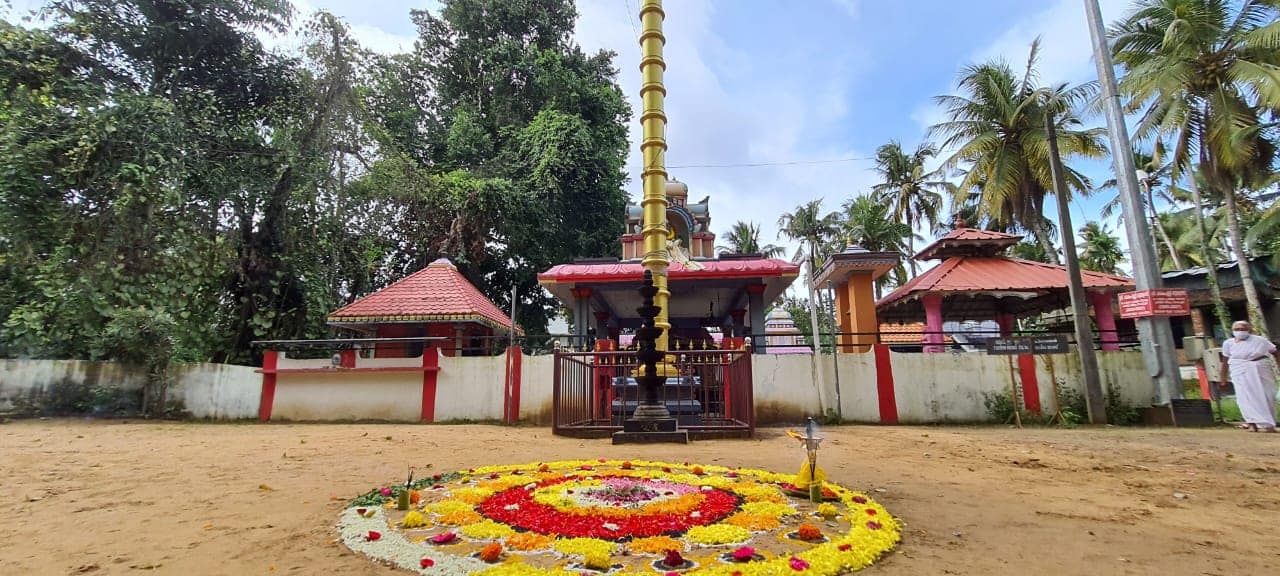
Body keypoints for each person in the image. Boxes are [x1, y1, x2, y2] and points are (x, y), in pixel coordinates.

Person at [1219, 321, 1278, 432]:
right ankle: (1252, 423)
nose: (1240, 331)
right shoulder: (1228, 343)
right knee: (1245, 397)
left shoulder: (1260, 340)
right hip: (1239, 370)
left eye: (1243, 329)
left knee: (1268, 395)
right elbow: (1225, 361)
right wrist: (1223, 378)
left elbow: (1275, 352)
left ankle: (1269, 425)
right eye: (1237, 329)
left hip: (1261, 368)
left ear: (1249, 330)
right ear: (1233, 331)